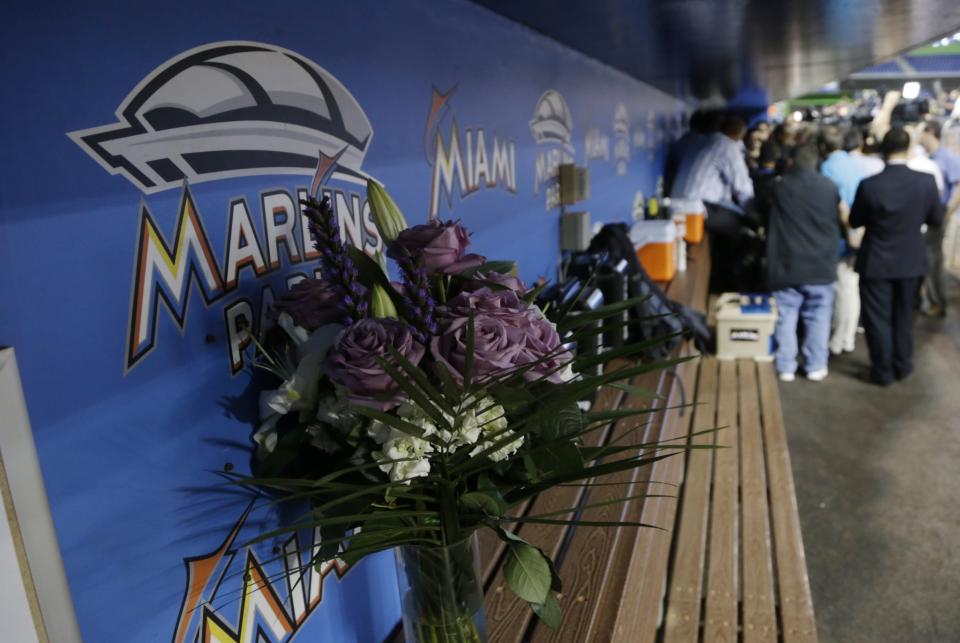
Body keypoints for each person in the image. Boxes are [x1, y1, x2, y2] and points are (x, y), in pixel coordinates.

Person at [849, 127, 944, 386]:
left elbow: (855, 220)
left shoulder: (869, 185)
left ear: (882, 150)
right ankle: (903, 365)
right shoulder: (925, 182)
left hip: (876, 261)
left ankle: (882, 371)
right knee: (904, 315)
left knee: (877, 318)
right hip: (912, 260)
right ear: (909, 149)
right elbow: (936, 218)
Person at [759, 143, 843, 382]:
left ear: (792, 162)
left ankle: (786, 366)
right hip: (821, 264)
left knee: (786, 314)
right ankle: (816, 365)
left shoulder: (778, 187)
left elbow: (759, 207)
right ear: (817, 162)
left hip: (787, 264)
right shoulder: (830, 187)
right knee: (818, 315)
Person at [819, 126, 867, 355]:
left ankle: (839, 341)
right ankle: (846, 338)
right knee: (850, 288)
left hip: (840, 236)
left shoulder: (827, 168)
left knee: (841, 289)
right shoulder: (855, 164)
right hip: (859, 232)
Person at [919, 118, 960, 316]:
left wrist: (947, 213)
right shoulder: (931, 157)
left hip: (938, 217)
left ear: (929, 132)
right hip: (928, 218)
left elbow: (958, 187)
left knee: (932, 261)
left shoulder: (946, 158)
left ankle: (937, 302)